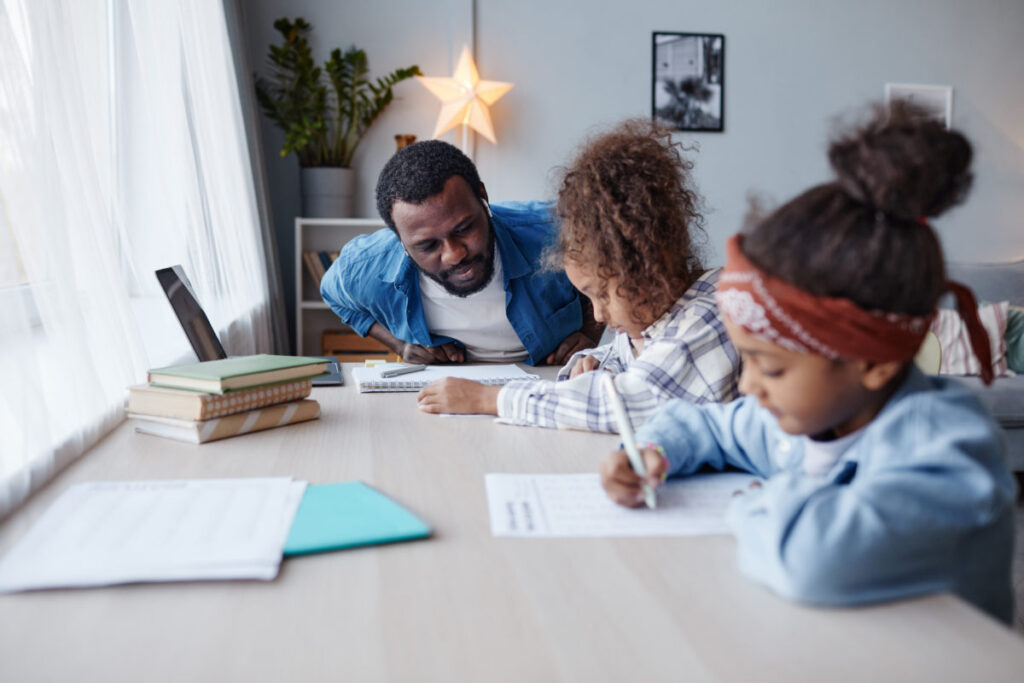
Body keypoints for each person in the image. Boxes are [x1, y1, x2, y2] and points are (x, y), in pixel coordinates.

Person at [600, 103, 1017, 623]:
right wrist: (651, 452)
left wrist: (751, 504)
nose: (749, 387)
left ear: (872, 363)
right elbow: (706, 423)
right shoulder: (816, 414)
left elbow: (810, 560)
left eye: (770, 368)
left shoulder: (948, 454)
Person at [417, 119, 741, 430]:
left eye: (601, 293)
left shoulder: (710, 315)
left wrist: (490, 398)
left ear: (648, 268)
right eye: (589, 297)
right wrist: (594, 363)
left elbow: (630, 403)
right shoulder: (649, 318)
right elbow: (625, 358)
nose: (598, 314)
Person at [320, 140, 602, 366]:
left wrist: (590, 333)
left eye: (464, 228)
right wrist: (400, 345)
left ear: (483, 197)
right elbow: (332, 293)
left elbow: (613, 269)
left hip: (544, 386)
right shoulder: (368, 265)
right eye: (428, 245)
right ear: (400, 240)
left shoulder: (555, 232)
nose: (454, 255)